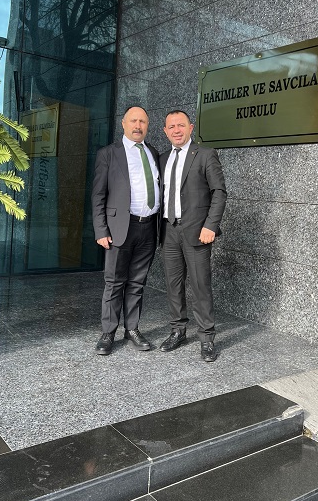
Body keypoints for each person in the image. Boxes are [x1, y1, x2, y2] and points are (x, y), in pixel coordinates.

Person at [159, 110, 227, 362]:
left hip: (198, 231)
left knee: (200, 285)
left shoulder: (205, 155)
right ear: (165, 131)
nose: (176, 130)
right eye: (171, 127)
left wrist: (211, 225)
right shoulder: (163, 158)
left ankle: (206, 338)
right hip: (168, 230)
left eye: (181, 125)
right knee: (173, 284)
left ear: (191, 127)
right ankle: (178, 331)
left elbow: (219, 192)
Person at [92, 106, 160, 355]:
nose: (138, 126)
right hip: (119, 227)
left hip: (148, 227)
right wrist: (101, 229)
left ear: (147, 125)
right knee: (114, 282)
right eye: (133, 121)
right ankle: (108, 332)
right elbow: (98, 195)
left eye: (142, 121)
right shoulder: (108, 154)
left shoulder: (152, 152)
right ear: (123, 123)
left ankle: (132, 329)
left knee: (137, 282)